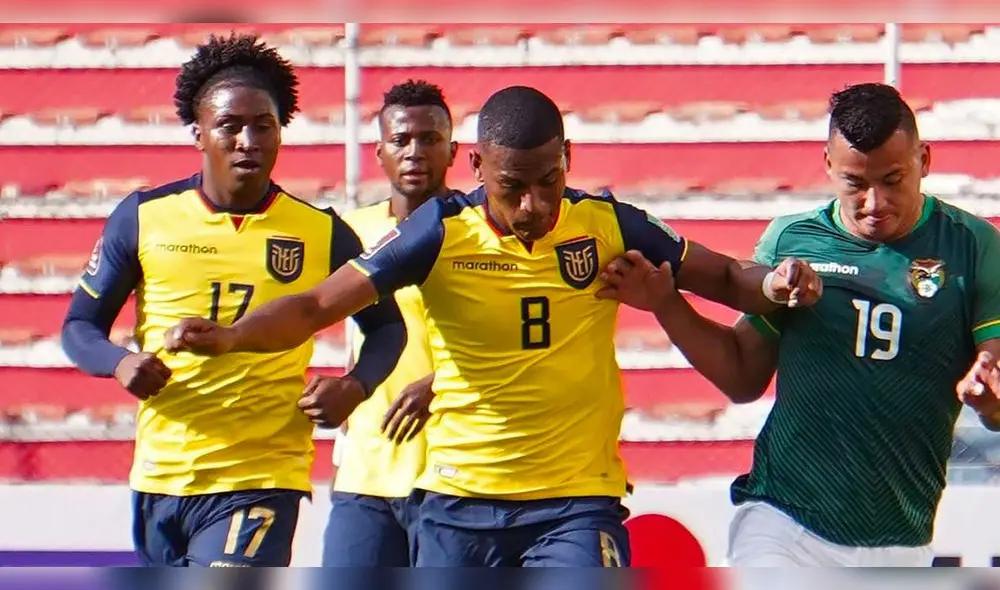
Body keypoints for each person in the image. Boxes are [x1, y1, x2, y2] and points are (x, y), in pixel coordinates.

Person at [163, 85, 821, 568]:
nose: (534, 204)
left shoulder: (606, 223)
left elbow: (728, 277)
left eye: (549, 181)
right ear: (477, 167)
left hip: (573, 505)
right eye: (513, 187)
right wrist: (229, 335)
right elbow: (315, 306)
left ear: (569, 157)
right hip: (455, 504)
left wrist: (776, 283)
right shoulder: (438, 232)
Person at [598, 82, 1000, 568]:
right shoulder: (796, 242)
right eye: (855, 183)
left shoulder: (974, 247)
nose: (874, 203)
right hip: (785, 524)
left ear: (924, 161)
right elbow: (743, 375)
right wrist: (667, 304)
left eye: (892, 179)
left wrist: (990, 396)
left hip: (900, 543)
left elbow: (994, 383)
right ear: (829, 166)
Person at [60, 33, 406, 567]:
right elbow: (80, 326)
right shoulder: (144, 216)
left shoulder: (321, 232)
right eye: (230, 126)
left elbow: (387, 327)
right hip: (162, 474)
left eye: (263, 126)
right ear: (199, 133)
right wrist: (120, 361)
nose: (248, 140)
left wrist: (356, 386)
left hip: (260, 475)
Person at [323, 79, 459, 567]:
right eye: (401, 141)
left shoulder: (482, 231)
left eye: (429, 139)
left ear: (454, 151)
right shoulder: (349, 233)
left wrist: (444, 382)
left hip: (454, 476)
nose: (415, 152)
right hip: (368, 472)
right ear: (379, 153)